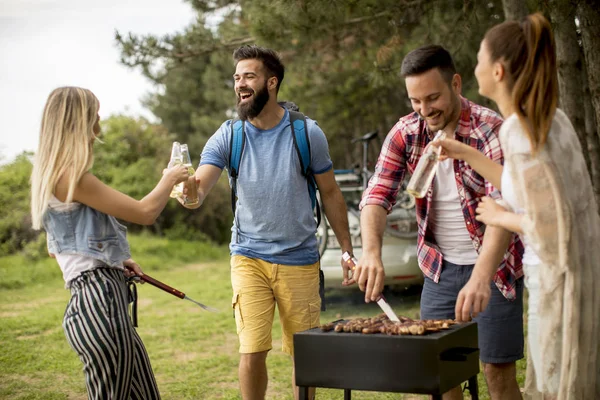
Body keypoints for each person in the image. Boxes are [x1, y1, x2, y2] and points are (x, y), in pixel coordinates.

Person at [435, 13, 600, 400]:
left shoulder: (516, 130)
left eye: (478, 58)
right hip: (575, 273)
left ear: (498, 70)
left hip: (559, 284)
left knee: (560, 386)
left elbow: (553, 225)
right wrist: (465, 152)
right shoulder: (548, 120)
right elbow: (523, 185)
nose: (474, 66)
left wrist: (499, 216)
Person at [179, 45, 352, 400]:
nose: (240, 84)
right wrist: (184, 187)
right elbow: (199, 188)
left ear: (271, 83)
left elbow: (331, 193)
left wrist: (348, 251)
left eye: (249, 76)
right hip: (248, 256)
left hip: (299, 257)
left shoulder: (306, 133)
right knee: (252, 349)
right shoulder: (229, 135)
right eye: (237, 77)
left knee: (304, 353)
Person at [354, 45, 525, 400]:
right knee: (441, 373)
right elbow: (377, 193)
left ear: (456, 84)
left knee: (496, 371)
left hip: (493, 269)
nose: (424, 110)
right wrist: (371, 252)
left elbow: (505, 210)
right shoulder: (407, 131)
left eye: (432, 98)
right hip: (439, 270)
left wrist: (481, 277)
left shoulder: (490, 129)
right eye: (415, 100)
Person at [30, 87, 189, 400]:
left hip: (99, 297)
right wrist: (169, 179)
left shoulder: (52, 176)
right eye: (95, 116)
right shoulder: (70, 176)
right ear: (79, 121)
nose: (98, 125)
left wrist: (114, 262)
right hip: (99, 301)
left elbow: (58, 248)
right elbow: (144, 212)